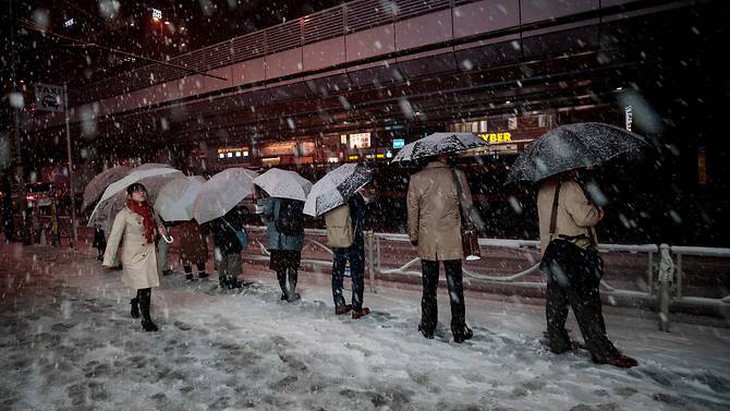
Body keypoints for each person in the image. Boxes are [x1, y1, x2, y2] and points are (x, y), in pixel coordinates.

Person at [537, 170, 638, 368]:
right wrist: (597, 211)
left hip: (552, 253)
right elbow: (584, 218)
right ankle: (602, 351)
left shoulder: (543, 190)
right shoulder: (570, 187)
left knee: (556, 303)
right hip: (574, 254)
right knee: (587, 305)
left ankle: (558, 343)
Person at [407, 154, 474, 343]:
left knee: (429, 288)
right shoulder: (457, 176)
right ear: (443, 156)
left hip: (428, 239)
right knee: (456, 287)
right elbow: (467, 205)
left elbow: (412, 211)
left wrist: (413, 235)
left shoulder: (416, 178)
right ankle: (459, 329)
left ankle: (428, 326)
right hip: (451, 239)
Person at [102, 183, 167, 332]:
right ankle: (146, 321)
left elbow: (157, 228)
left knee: (146, 285)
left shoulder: (151, 210)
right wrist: (108, 260)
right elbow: (114, 238)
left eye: (142, 190)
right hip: (134, 256)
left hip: (149, 254)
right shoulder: (124, 214)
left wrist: (160, 230)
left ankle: (135, 302)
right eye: (137, 191)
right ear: (130, 196)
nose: (141, 193)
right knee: (144, 287)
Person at [324, 189, 370, 319]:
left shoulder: (330, 199)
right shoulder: (354, 197)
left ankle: (339, 303)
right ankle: (356, 308)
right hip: (353, 241)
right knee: (357, 274)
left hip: (337, 241)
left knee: (337, 272)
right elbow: (362, 217)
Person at [263, 196, 304, 302]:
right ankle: (291, 292)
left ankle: (285, 292)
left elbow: (266, 212)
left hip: (278, 240)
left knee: (281, 267)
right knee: (293, 267)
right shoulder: (298, 198)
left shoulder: (275, 197)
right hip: (293, 240)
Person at [210, 207, 247, 290]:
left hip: (220, 241)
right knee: (233, 259)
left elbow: (212, 228)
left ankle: (223, 280)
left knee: (222, 260)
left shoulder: (215, 212)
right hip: (232, 240)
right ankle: (232, 281)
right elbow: (239, 225)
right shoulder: (233, 210)